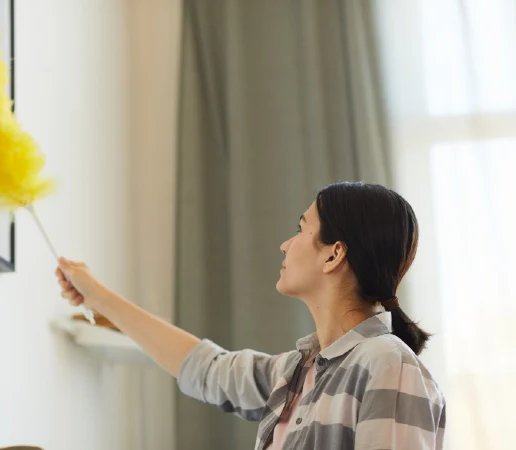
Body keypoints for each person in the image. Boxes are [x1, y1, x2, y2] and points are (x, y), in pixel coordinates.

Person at [55, 182, 445, 450]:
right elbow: (207, 368)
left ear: (333, 254)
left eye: (300, 229)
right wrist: (100, 298)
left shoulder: (386, 362)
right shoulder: (298, 372)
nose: (285, 245)